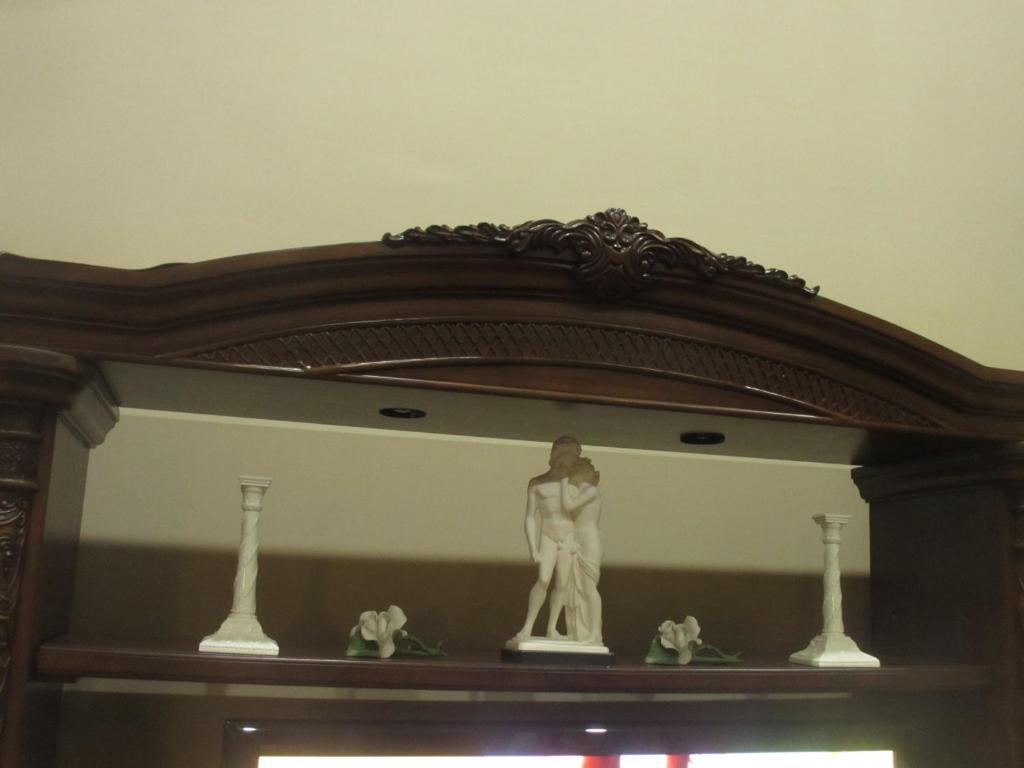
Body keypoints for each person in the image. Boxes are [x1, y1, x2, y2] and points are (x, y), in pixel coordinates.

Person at [513, 436, 581, 640]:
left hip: (568, 538)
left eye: (574, 455)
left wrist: (579, 542)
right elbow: (529, 516)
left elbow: (582, 517)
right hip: (548, 536)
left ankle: (552, 628)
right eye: (569, 454)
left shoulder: (576, 485)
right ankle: (527, 627)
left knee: (562, 584)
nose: (571, 459)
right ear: (557, 454)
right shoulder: (537, 483)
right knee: (543, 579)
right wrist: (533, 547)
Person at [560, 457, 603, 644]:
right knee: (574, 587)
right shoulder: (580, 493)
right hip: (577, 542)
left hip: (589, 542)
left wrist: (562, 482)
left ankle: (595, 633)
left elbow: (568, 506)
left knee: (588, 588)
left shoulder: (591, 490)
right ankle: (576, 631)